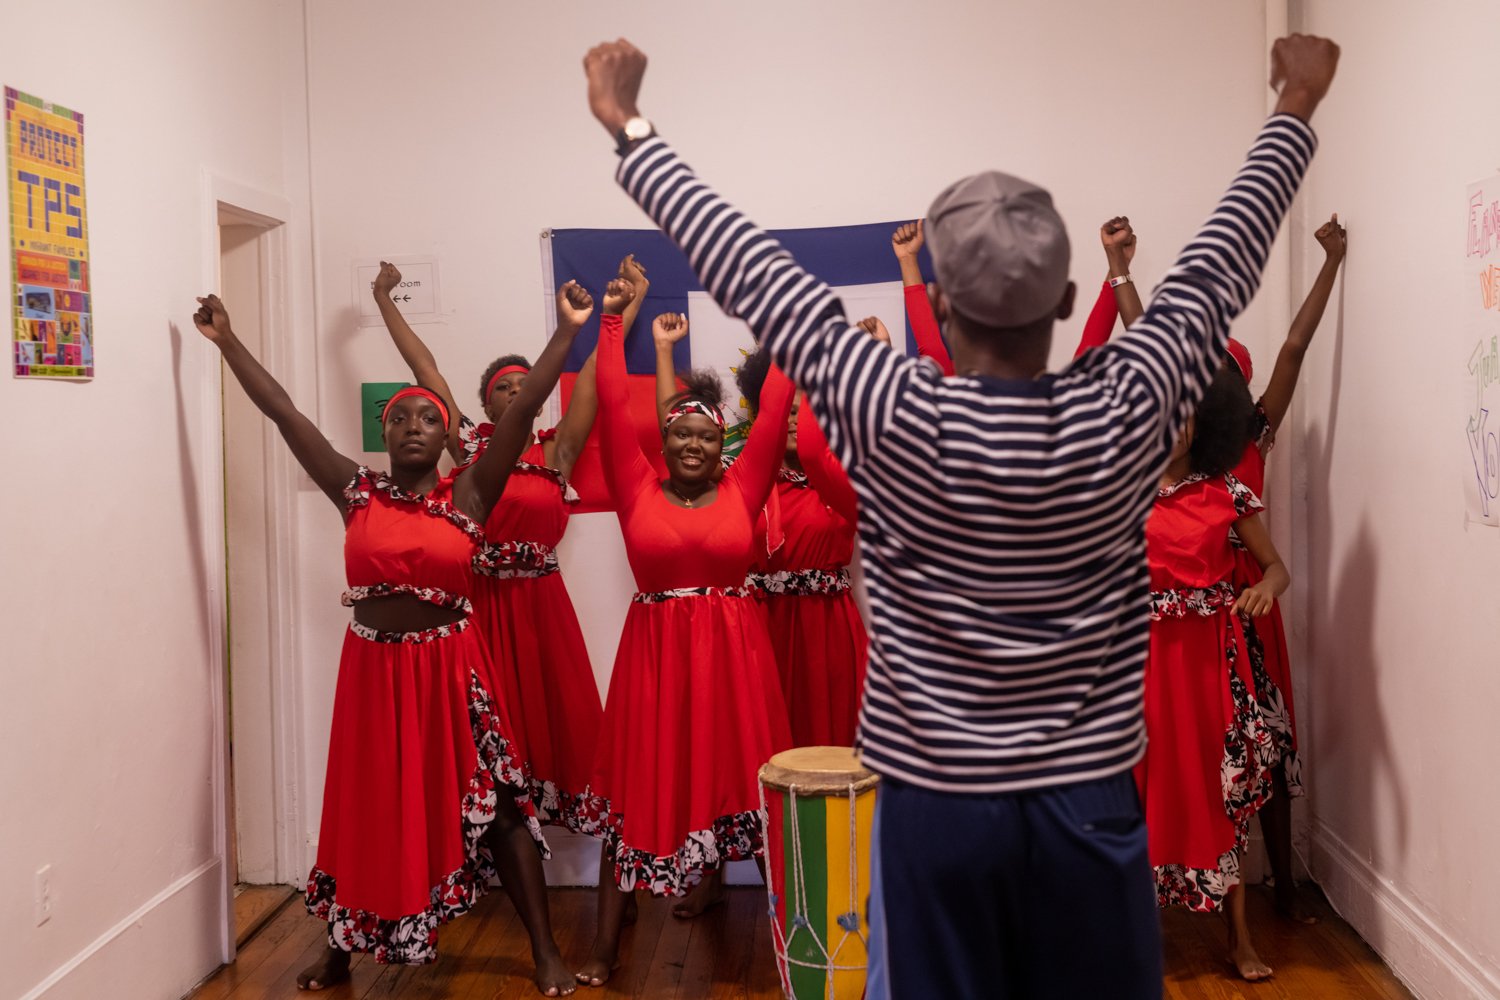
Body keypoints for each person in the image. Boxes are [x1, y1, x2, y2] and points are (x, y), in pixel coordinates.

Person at [581, 31, 1338, 998]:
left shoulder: (888, 403)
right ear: (1066, 299)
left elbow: (750, 267)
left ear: (942, 299)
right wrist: (1296, 105)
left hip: (936, 813)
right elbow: (1220, 261)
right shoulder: (1125, 403)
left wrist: (633, 129)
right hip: (1088, 808)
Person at [194, 285, 585, 997]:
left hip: (452, 673)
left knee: (498, 807)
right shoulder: (355, 493)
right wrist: (228, 342)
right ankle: (340, 954)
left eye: (427, 419)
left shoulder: (469, 496)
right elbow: (285, 414)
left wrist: (565, 332)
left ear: (447, 438)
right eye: (399, 417)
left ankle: (545, 952)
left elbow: (524, 408)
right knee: (364, 806)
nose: (412, 426)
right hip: (374, 674)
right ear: (384, 432)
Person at [370, 256, 646, 836]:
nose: (519, 391)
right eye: (505, 387)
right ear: (486, 403)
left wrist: (623, 309)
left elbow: (595, 374)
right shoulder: (467, 447)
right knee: (481, 729)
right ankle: (481, 838)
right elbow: (425, 367)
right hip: (479, 608)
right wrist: (383, 299)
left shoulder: (558, 450)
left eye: (527, 384)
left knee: (557, 720)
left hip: (543, 610)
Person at [576, 290, 794, 986]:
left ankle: (793, 937)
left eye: (705, 434)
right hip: (656, 663)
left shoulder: (745, 486)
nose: (694, 443)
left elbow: (778, 407)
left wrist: (786, 321)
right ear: (663, 440)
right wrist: (612, 323)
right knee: (637, 789)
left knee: (756, 795)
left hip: (736, 664)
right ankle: (605, 946)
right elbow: (612, 406)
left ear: (719, 440)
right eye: (681, 434)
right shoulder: (635, 486)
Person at [1135, 364, 1290, 980]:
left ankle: (1239, 937)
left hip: (1210, 662)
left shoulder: (1227, 490)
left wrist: (1264, 592)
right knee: (1144, 790)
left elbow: (1276, 567)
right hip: (1143, 666)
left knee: (1219, 792)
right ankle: (1137, 934)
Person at [1228, 212, 1347, 923]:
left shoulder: (1257, 426)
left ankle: (1285, 884)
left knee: (1268, 742)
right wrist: (1120, 274)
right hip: (1198, 602)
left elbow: (1296, 346)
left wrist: (1329, 261)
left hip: (1254, 596)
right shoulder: (1176, 443)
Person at [734, 345, 867, 747]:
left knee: (832, 739)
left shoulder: (844, 484)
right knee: (767, 739)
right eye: (784, 411)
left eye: (801, 411)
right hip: (764, 625)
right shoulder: (743, 484)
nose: (792, 421)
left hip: (826, 629)